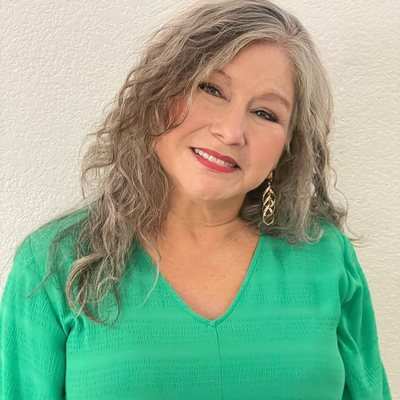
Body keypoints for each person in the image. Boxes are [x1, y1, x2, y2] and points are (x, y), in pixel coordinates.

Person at [0, 0, 392, 399]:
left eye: (265, 114)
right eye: (212, 89)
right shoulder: (54, 264)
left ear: (288, 145)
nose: (231, 131)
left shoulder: (327, 258)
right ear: (158, 92)